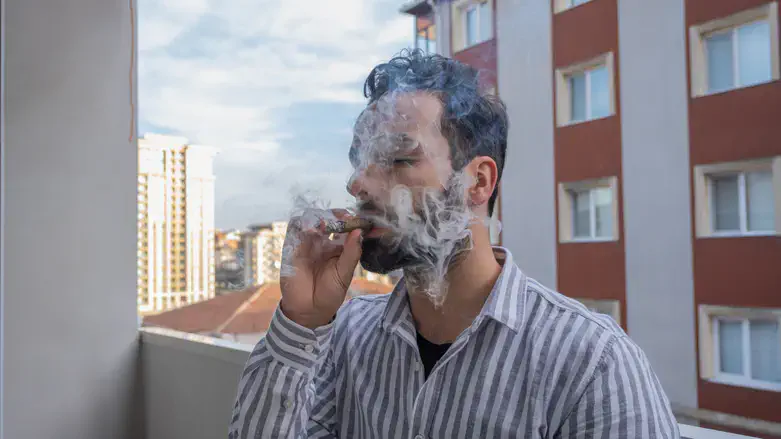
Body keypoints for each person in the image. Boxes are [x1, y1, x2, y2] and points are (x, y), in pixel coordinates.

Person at [229, 50, 679, 439]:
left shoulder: (591, 363)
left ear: (477, 183)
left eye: (398, 158)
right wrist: (301, 323)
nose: (357, 183)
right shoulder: (344, 336)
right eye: (361, 162)